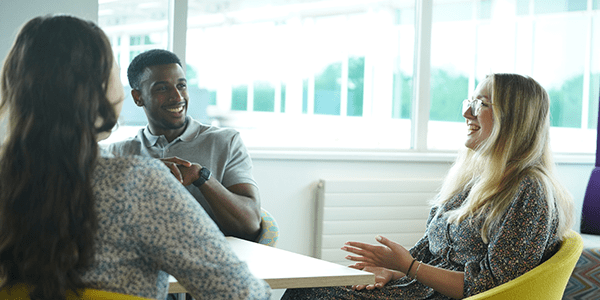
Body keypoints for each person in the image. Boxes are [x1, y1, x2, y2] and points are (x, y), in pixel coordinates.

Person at [0, 15, 270, 300]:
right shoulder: (138, 182)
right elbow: (241, 294)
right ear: (103, 91)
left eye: (181, 84)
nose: (176, 95)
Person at [282, 73, 574, 300]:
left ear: (515, 120)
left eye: (481, 104)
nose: (467, 113)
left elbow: (492, 285)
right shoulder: (477, 181)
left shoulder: (529, 192)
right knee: (308, 288)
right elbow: (429, 254)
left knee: (309, 294)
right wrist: (394, 270)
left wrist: (409, 268)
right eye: (469, 102)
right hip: (416, 289)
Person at [106, 49, 261, 242]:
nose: (177, 96)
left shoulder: (225, 142)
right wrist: (143, 175)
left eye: (181, 86)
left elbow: (251, 223)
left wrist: (201, 177)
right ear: (138, 97)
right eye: (162, 88)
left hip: (210, 262)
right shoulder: (119, 152)